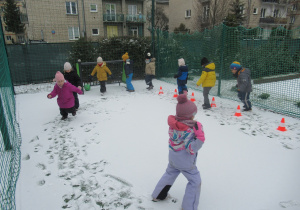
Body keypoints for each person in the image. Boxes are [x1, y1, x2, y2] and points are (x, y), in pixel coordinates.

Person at [152, 93, 205, 210]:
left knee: (170, 173)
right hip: (185, 161)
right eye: (193, 115)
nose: (194, 117)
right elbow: (191, 148)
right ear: (189, 116)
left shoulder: (174, 125)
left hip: (173, 157)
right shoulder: (189, 129)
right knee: (195, 181)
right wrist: (200, 137)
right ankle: (189, 207)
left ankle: (158, 195)